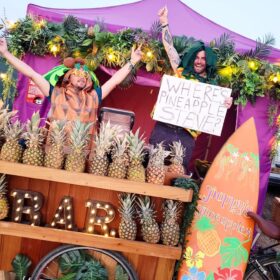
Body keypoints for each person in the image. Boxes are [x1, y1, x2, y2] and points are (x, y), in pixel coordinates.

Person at [149, 6, 233, 171]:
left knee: (177, 174)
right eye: (196, 57)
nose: (199, 61)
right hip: (163, 128)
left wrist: (226, 102)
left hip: (186, 137)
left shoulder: (211, 87)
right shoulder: (180, 71)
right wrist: (164, 23)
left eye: (203, 58)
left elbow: (217, 107)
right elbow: (170, 48)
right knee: (152, 168)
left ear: (207, 61)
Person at [0, 37, 143, 132]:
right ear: (68, 78)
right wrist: (6, 53)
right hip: (54, 150)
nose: (82, 77)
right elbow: (32, 73)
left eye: (85, 75)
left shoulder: (94, 96)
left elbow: (114, 80)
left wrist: (132, 62)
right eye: (77, 74)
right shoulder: (55, 93)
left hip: (80, 155)